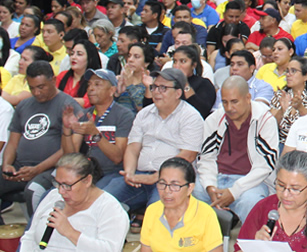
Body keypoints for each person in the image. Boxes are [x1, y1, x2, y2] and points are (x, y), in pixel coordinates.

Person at [1, 62, 80, 223]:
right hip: (19, 167)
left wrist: (37, 169)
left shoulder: (69, 106)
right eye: (32, 88)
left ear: (53, 80)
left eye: (41, 87)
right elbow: (13, 142)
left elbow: (69, 150)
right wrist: (7, 165)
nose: (36, 92)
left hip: (51, 169)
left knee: (33, 191)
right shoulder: (24, 105)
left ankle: (35, 235)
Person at [116, 69, 204, 212]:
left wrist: (157, 177)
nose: (156, 92)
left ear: (178, 93)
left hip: (172, 181)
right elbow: (132, 148)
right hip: (140, 176)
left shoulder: (190, 116)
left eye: (163, 88)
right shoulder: (144, 113)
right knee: (104, 201)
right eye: (154, 87)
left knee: (158, 213)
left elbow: (188, 155)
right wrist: (129, 173)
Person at [196, 76, 278, 223]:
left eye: (234, 102)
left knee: (251, 202)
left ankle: (250, 244)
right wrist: (210, 186)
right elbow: (206, 158)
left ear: (248, 98)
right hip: (217, 177)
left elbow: (265, 166)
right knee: (192, 193)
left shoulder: (265, 120)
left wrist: (234, 191)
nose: (229, 108)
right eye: (224, 102)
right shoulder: (214, 120)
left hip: (252, 182)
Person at [60, 69, 134, 200]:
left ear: (112, 90)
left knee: (93, 199)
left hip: (113, 173)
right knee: (52, 195)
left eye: (97, 84)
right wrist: (67, 129)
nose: (91, 89)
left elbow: (118, 157)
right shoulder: (85, 115)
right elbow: (71, 156)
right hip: (86, 172)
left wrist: (95, 133)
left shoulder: (124, 115)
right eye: (89, 85)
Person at [270, 57, 307, 146]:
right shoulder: (280, 95)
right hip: (281, 143)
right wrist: (281, 110)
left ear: (306, 76)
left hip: (305, 144)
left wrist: (300, 108)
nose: (288, 74)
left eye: (293, 71)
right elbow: (270, 125)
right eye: (287, 71)